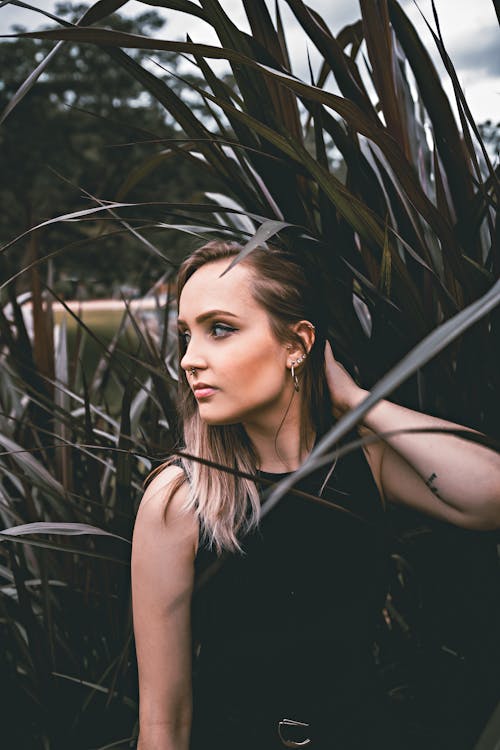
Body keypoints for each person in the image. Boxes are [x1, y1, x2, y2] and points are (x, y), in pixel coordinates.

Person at [131, 240, 500, 750]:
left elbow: (491, 496)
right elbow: (163, 723)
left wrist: (354, 398)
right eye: (186, 336)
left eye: (220, 329)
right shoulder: (180, 498)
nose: (190, 360)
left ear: (297, 344)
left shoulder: (363, 462)